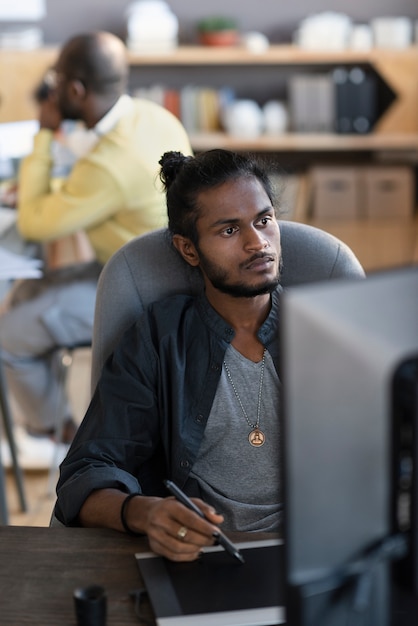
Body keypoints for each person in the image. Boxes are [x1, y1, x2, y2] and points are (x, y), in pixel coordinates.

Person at [54, 148, 282, 562]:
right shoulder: (160, 338)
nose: (257, 243)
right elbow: (85, 473)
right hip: (202, 557)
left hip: (319, 554)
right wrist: (143, 512)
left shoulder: (327, 325)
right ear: (188, 250)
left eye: (263, 220)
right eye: (229, 231)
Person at [0, 31, 192, 461]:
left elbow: (35, 222)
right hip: (156, 267)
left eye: (56, 78)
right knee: (30, 291)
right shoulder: (149, 115)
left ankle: (63, 435)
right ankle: (58, 419)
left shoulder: (110, 162)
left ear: (74, 89)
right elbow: (92, 183)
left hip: (148, 291)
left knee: (7, 336)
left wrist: (45, 135)